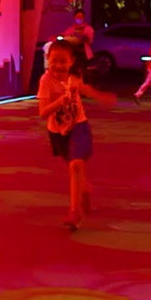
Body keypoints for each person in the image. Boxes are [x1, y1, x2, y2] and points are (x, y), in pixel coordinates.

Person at [38, 39, 116, 230]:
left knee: (75, 165)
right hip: (58, 131)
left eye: (63, 61)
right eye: (54, 61)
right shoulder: (46, 81)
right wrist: (61, 101)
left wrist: (101, 97)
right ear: (48, 59)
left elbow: (84, 89)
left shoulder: (73, 76)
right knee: (75, 168)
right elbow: (43, 112)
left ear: (71, 61)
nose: (58, 65)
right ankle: (85, 189)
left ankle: (75, 211)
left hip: (79, 126)